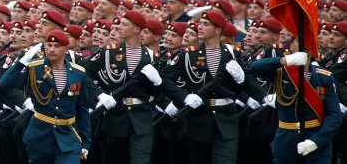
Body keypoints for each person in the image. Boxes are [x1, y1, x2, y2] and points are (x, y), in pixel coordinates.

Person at [160, 9, 259, 164]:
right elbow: (165, 79)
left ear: (218, 30)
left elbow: (249, 83)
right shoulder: (188, 54)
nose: (200, 27)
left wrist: (260, 93)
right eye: (201, 23)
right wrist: (184, 97)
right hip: (198, 118)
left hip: (226, 118)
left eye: (206, 24)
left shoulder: (233, 54)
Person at [0, 29, 92, 164]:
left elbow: (82, 109)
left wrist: (86, 142)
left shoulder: (78, 73)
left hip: (68, 135)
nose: (52, 49)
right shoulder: (34, 68)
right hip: (40, 134)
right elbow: (4, 85)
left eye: (56, 46)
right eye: (49, 45)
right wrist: (22, 62)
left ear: (66, 49)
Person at [82, 10, 163, 164]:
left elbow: (159, 95)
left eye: (124, 25)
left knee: (141, 160)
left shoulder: (152, 57)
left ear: (136, 29)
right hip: (116, 116)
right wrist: (100, 95)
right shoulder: (109, 52)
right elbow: (83, 73)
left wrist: (158, 83)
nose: (119, 27)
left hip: (141, 118)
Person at [248, 40, 342, 163]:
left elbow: (334, 115)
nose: (306, 44)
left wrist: (316, 141)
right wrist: (283, 61)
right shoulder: (281, 72)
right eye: (300, 40)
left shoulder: (324, 77)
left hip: (316, 145)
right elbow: (254, 68)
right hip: (286, 144)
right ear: (291, 47)